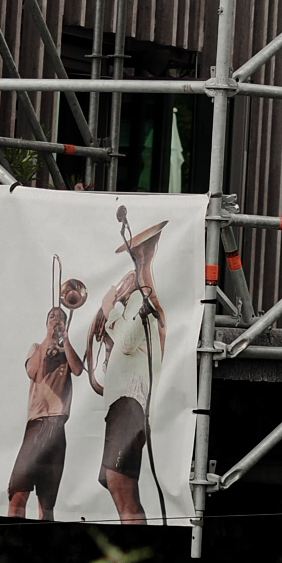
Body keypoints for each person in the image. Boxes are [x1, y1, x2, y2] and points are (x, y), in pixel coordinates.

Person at [85, 217, 167, 525]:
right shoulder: (134, 299)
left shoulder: (138, 299)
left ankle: (134, 560)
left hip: (129, 401)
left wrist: (110, 310)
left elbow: (128, 341)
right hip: (120, 400)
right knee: (114, 482)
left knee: (120, 484)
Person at [7, 279, 85, 520]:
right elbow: (32, 371)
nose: (56, 319)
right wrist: (47, 339)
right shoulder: (36, 347)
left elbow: (78, 369)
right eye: (52, 316)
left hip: (57, 424)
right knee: (18, 491)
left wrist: (66, 339)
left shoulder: (67, 350)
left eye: (60, 317)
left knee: (47, 502)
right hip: (37, 422)